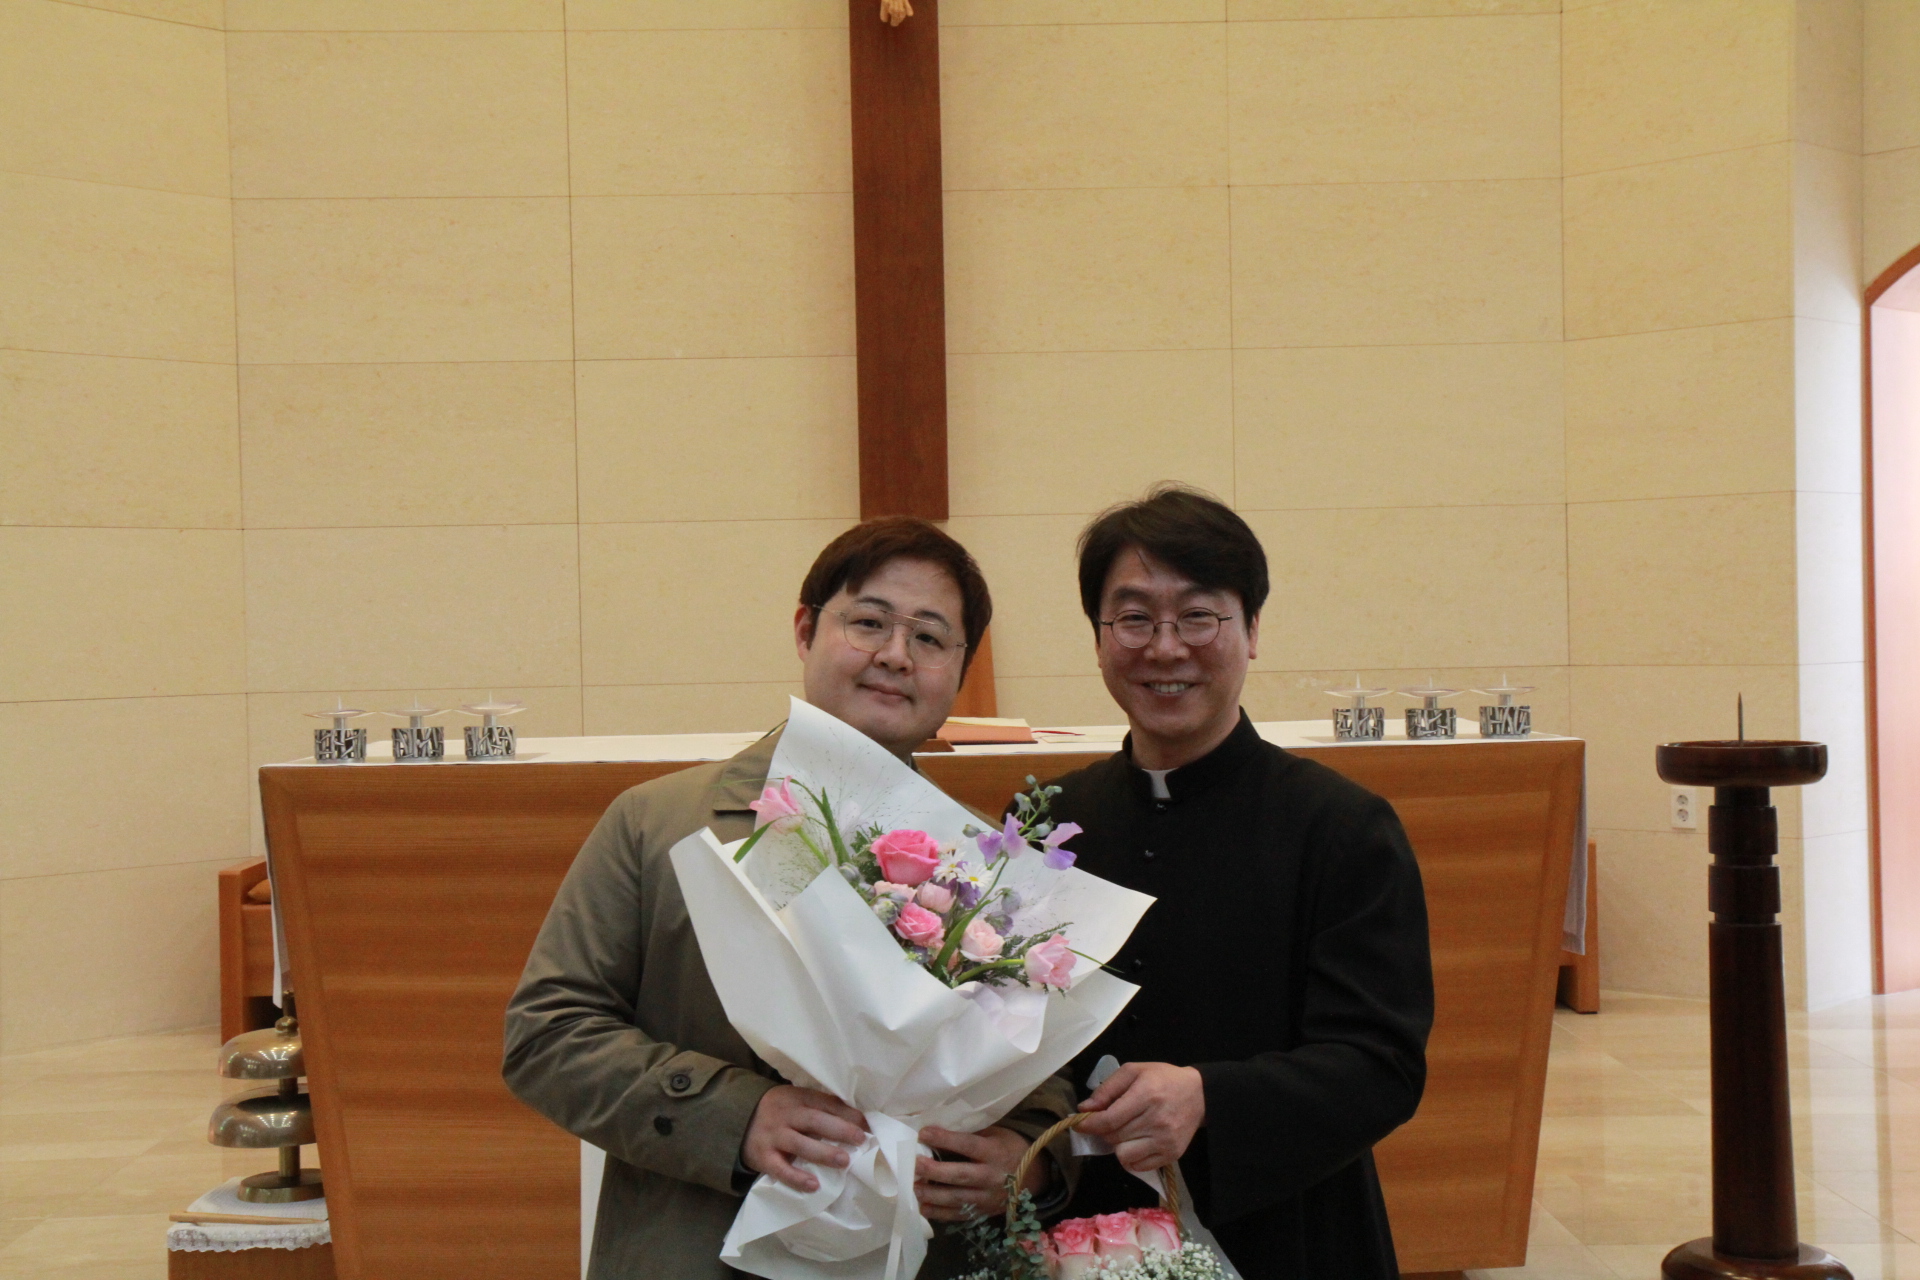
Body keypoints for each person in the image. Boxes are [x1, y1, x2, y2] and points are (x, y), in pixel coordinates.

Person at [503, 517, 1074, 1279]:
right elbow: (547, 1035)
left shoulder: (987, 866)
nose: (896, 655)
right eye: (868, 623)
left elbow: (1039, 1066)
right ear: (807, 630)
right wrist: (735, 1115)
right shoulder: (656, 822)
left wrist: (1026, 1155)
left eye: (930, 638)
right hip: (698, 1249)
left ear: (959, 669)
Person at [1048, 486, 1433, 1279]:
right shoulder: (1053, 823)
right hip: (1084, 1230)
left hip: (1288, 1229)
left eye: (1199, 616)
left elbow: (1381, 1065)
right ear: (1098, 637)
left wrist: (1208, 1098)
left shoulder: (1341, 827)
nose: (1165, 648)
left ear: (1252, 630)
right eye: (1133, 618)